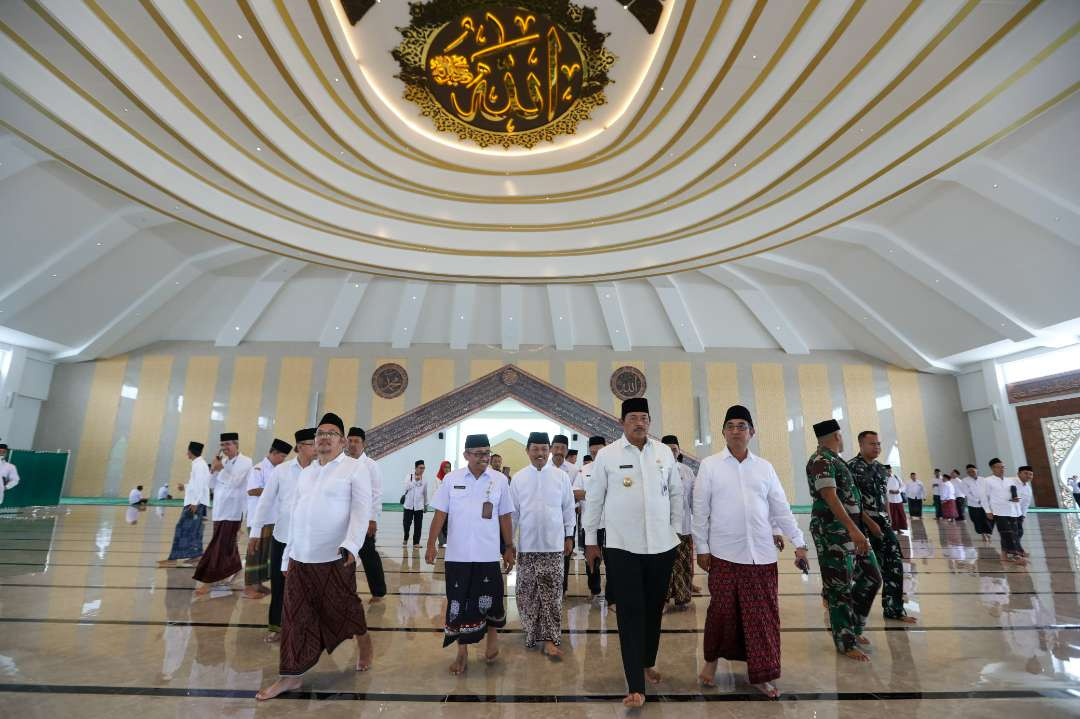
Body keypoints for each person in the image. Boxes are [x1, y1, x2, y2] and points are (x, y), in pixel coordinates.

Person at [256, 413, 375, 700]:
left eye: (331, 433)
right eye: (320, 433)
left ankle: (364, 642)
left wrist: (351, 545)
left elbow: (361, 511)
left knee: (345, 609)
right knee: (294, 617)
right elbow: (297, 515)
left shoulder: (354, 469)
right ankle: (290, 677)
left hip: (335, 557)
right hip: (300, 558)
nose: (324, 437)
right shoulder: (306, 472)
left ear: (343, 441)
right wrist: (286, 557)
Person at [693, 405, 806, 698]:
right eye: (730, 425)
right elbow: (700, 511)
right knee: (721, 613)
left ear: (752, 432)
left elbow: (780, 508)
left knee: (762, 617)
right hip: (723, 553)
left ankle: (761, 675)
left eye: (741, 425)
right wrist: (702, 548)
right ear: (723, 432)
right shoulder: (710, 466)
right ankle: (710, 663)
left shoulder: (764, 467)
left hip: (761, 556)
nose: (735, 430)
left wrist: (799, 541)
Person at [583, 397, 682, 709]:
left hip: (662, 545)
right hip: (622, 546)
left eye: (644, 418)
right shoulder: (609, 456)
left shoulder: (664, 453)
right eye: (634, 418)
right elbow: (594, 498)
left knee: (654, 609)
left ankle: (647, 661)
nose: (640, 422)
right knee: (629, 612)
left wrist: (676, 531)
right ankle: (635, 685)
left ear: (650, 422)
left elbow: (676, 493)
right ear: (622, 422)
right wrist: (590, 539)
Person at [425, 434, 515, 675]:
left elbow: (505, 515)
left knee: (492, 598)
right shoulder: (451, 479)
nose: (483, 458)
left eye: (486, 453)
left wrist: (509, 546)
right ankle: (461, 652)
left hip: (487, 554)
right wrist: (431, 543)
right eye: (478, 454)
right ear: (466, 455)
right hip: (458, 554)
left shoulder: (499, 481)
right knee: (459, 603)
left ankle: (492, 639)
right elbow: (440, 514)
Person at [806, 419, 881, 662]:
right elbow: (829, 496)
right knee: (839, 588)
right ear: (837, 436)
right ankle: (845, 641)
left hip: (851, 530)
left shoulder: (835, 460)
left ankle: (854, 627)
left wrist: (863, 526)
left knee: (872, 576)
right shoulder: (821, 460)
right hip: (834, 532)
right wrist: (852, 529)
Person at [509, 431, 575, 658]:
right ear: (527, 451)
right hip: (527, 547)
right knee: (527, 594)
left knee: (552, 595)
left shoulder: (560, 477)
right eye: (535, 449)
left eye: (544, 449)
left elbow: (568, 509)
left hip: (553, 546)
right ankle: (531, 632)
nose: (540, 453)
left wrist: (569, 536)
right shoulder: (518, 478)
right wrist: (509, 543)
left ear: (549, 451)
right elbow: (513, 514)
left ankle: (550, 639)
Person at [250, 427, 315, 642]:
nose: (316, 447)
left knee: (308, 585)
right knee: (279, 584)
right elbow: (266, 501)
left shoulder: (321, 471)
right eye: (311, 443)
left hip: (309, 540)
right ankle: (276, 626)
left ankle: (307, 627)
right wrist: (256, 532)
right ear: (299, 447)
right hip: (283, 537)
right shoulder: (283, 471)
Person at [847, 431, 915, 625]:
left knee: (894, 564)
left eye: (878, 444)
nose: (876, 447)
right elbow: (852, 501)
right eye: (872, 444)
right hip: (862, 525)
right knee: (860, 571)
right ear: (861, 445)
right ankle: (844, 607)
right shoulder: (851, 468)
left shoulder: (880, 469)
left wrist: (888, 519)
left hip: (882, 523)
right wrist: (870, 523)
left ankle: (894, 609)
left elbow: (884, 496)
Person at [193, 432, 252, 597]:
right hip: (219, 510)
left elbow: (236, 482)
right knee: (226, 544)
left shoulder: (246, 462)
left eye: (228, 444)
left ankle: (208, 579)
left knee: (218, 545)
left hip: (233, 511)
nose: (225, 448)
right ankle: (234, 567)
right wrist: (213, 470)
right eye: (223, 445)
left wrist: (222, 469)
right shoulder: (223, 462)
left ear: (236, 445)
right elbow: (211, 484)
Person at [244, 439, 291, 599]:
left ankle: (258, 584)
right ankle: (249, 586)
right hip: (258, 519)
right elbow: (252, 490)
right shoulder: (258, 468)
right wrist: (273, 490)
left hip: (272, 518)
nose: (283, 460)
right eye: (282, 456)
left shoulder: (277, 469)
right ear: (274, 453)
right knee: (254, 552)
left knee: (264, 553)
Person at [346, 427, 387, 603]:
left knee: (368, 554)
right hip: (345, 519)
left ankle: (378, 592)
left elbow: (376, 493)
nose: (353, 444)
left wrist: (372, 519)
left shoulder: (371, 465)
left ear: (363, 444)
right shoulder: (343, 463)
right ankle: (347, 591)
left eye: (357, 441)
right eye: (350, 440)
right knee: (345, 555)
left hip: (364, 519)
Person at [159, 442, 210, 567]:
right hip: (196, 502)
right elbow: (196, 484)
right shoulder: (199, 464)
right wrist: (185, 487)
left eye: (188, 451)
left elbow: (201, 485)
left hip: (194, 503)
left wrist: (194, 503)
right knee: (195, 530)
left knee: (181, 528)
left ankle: (173, 559)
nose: (186, 453)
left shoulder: (199, 465)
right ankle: (196, 555)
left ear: (191, 452)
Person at [661, 435, 696, 612]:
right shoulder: (655, 470)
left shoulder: (687, 471)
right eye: (667, 449)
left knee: (684, 565)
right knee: (663, 566)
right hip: (662, 528)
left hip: (684, 527)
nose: (671, 452)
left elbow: (693, 501)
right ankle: (664, 599)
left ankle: (683, 598)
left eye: (674, 449)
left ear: (679, 450)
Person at [575, 435, 610, 603]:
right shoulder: (585, 470)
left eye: (599, 451)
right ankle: (594, 591)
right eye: (593, 452)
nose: (596, 454)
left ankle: (613, 595)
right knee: (592, 561)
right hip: (591, 524)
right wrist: (594, 495)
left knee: (613, 561)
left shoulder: (614, 467)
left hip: (612, 523)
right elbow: (575, 493)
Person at [548, 434, 579, 592]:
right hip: (548, 519)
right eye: (557, 447)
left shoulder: (573, 470)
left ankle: (562, 588)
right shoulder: (543, 467)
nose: (559, 451)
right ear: (551, 448)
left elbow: (577, 495)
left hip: (567, 518)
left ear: (567, 451)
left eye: (563, 448)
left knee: (566, 552)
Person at [984, 458, 1026, 565]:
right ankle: (1016, 556)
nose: (1002, 469)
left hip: (1012, 511)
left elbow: (1014, 493)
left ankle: (1004, 555)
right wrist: (988, 511)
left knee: (1011, 533)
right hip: (999, 511)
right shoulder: (987, 481)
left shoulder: (1010, 480)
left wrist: (1016, 500)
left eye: (1003, 467)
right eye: (999, 467)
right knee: (1008, 534)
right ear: (992, 468)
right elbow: (984, 497)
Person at [963, 464, 993, 541]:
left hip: (985, 504)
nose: (971, 473)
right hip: (973, 505)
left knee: (987, 519)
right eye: (969, 472)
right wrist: (977, 500)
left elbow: (988, 491)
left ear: (977, 470)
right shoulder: (965, 481)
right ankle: (983, 534)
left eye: (973, 471)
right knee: (977, 520)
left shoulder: (983, 479)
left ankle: (988, 532)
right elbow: (967, 493)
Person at [402, 460, 428, 546]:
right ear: (416, 468)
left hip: (419, 506)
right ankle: (406, 536)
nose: (422, 470)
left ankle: (416, 542)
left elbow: (425, 493)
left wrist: (425, 504)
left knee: (418, 526)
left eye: (423, 468)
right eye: (420, 468)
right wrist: (414, 481)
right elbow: (406, 487)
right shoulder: (409, 476)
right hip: (408, 506)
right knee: (406, 525)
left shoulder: (424, 480)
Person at [1017, 465, 1035, 556]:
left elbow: (1026, 503)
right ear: (1019, 474)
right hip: (1008, 513)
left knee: (1019, 532)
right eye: (1026, 473)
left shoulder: (1028, 487)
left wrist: (1023, 515)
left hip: (1018, 514)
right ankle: (1018, 551)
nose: (1028, 476)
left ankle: (1015, 550)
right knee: (1014, 533)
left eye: (1031, 474)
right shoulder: (1012, 483)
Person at [435, 460, 452, 548]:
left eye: (449, 467)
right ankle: (442, 541)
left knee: (448, 523)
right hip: (440, 504)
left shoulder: (452, 478)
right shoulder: (438, 478)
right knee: (440, 523)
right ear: (442, 468)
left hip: (450, 504)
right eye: (445, 467)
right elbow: (439, 490)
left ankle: (447, 540)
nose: (447, 469)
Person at [885, 465, 907, 531]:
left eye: (890, 469)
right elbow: (881, 488)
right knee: (892, 515)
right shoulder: (883, 478)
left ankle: (899, 529)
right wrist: (889, 491)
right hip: (889, 500)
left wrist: (899, 490)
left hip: (898, 499)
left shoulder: (896, 477)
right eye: (887, 470)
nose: (889, 471)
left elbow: (903, 486)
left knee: (900, 515)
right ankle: (892, 529)